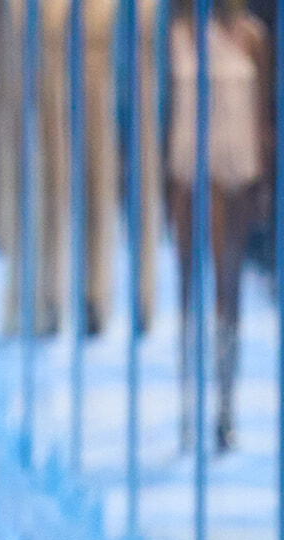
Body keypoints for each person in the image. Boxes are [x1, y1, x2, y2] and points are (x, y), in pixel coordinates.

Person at [168, 0, 272, 450]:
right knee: (188, 290)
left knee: (229, 290)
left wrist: (263, 182)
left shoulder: (253, 38)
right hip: (189, 173)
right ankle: (187, 402)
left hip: (236, 173)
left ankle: (225, 407)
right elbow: (166, 111)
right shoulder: (180, 32)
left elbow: (263, 118)